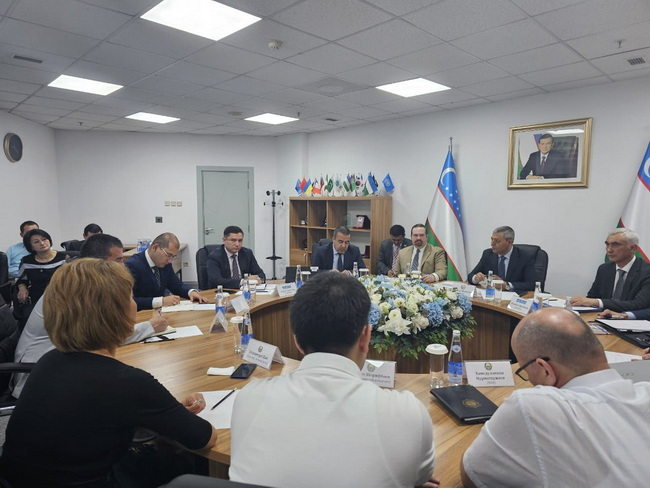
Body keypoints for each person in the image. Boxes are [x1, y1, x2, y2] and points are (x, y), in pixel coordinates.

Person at [0, 259, 218, 487]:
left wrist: (164, 411)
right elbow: (205, 438)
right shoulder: (127, 381)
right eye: (130, 298)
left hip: (19, 481)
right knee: (185, 468)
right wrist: (170, 412)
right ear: (115, 312)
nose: (134, 304)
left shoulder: (49, 361)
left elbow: (96, 417)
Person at [229, 272, 437, 488]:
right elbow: (419, 477)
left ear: (297, 341)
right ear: (366, 337)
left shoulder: (249, 398)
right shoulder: (406, 413)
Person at [461, 308, 650, 488]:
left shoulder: (534, 407)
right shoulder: (645, 391)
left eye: (525, 371)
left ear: (545, 370)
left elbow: (473, 474)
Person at [11, 233, 170, 398]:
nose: (123, 266)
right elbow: (101, 337)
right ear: (97, 262)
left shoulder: (80, 279)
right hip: (39, 379)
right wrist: (149, 327)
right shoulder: (76, 289)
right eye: (118, 260)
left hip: (65, 362)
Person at [572, 229, 650, 312]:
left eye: (615, 245)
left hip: (632, 318)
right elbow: (592, 297)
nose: (609, 250)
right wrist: (580, 302)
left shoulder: (646, 271)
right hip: (602, 316)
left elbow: (639, 304)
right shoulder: (604, 269)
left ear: (632, 248)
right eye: (607, 244)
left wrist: (598, 302)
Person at [126, 232, 208, 310]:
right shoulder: (132, 265)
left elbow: (176, 285)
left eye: (173, 257)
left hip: (159, 313)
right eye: (168, 255)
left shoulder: (165, 264)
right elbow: (128, 301)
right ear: (155, 247)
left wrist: (191, 292)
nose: (170, 261)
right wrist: (161, 301)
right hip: (139, 315)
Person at [467, 225, 536, 293]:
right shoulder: (488, 254)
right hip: (491, 295)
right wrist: (475, 278)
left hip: (514, 297)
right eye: (492, 239)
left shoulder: (525, 257)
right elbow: (470, 276)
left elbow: (531, 284)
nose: (492, 244)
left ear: (509, 242)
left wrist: (507, 285)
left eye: (497, 241)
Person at [15, 229, 68, 307]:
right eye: (36, 242)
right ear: (31, 246)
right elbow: (21, 279)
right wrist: (22, 288)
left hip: (60, 296)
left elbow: (72, 280)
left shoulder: (63, 258)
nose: (42, 243)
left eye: (44, 239)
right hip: (36, 297)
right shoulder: (27, 261)